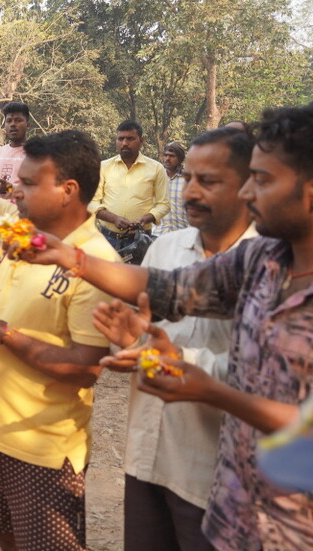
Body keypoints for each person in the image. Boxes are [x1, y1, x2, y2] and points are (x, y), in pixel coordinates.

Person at [24, 104, 313, 550]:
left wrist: (207, 387)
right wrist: (73, 258)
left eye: (265, 179)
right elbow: (172, 288)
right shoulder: (265, 260)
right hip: (232, 513)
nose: (250, 194)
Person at [0, 56, 120, 551]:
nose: (15, 189)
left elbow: (84, 368)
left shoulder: (94, 263)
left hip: (41, 448)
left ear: (69, 191)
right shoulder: (17, 228)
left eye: (30, 183)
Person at [100, 128, 256, 551]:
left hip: (209, 473)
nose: (189, 192)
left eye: (208, 181)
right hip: (146, 454)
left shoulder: (268, 263)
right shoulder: (166, 249)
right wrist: (131, 340)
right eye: (186, 178)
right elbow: (144, 337)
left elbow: (263, 376)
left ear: (250, 185)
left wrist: (178, 359)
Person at [90, 120, 169, 253]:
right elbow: (92, 202)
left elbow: (164, 205)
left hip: (141, 240)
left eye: (130, 139)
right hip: (108, 238)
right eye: (120, 139)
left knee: (138, 274)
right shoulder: (103, 167)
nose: (125, 143)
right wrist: (114, 219)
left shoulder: (156, 168)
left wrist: (147, 218)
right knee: (107, 273)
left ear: (141, 140)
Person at [0, 101, 30, 196]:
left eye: (18, 120)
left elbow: (37, 189)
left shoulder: (34, 154)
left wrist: (8, 188)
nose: (13, 124)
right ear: (4, 125)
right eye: (9, 121)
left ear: (28, 125)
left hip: (21, 210)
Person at [151, 141, 189, 237]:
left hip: (182, 235)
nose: (167, 159)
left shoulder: (188, 180)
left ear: (180, 159)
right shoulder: (155, 178)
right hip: (158, 234)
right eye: (166, 155)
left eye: (172, 156)